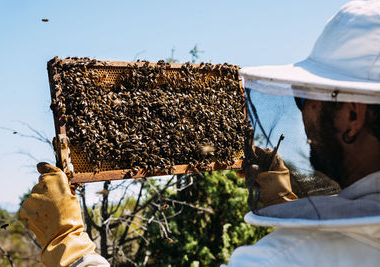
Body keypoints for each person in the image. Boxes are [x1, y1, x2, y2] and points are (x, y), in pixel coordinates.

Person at [19, 1, 380, 266]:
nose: (303, 114)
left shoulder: (287, 260)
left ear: (351, 116)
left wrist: (69, 247)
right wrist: (286, 204)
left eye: (305, 99)